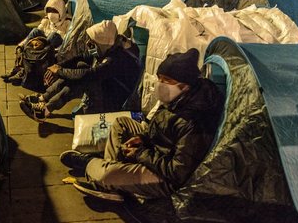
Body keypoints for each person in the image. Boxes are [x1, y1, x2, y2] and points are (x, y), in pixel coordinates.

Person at [60, 49, 224, 201]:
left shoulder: (195, 121)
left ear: (184, 86)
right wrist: (142, 138)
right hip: (156, 152)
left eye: (166, 80)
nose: (160, 84)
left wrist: (141, 153)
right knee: (121, 123)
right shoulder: (178, 98)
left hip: (166, 178)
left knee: (107, 174)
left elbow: (177, 172)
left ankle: (92, 166)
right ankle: (113, 183)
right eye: (159, 78)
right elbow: (158, 127)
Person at [19, 20, 141, 121]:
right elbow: (82, 57)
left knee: (82, 80)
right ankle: (42, 99)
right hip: (107, 87)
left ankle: (43, 111)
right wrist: (56, 67)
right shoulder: (109, 44)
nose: (89, 44)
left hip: (114, 102)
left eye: (93, 42)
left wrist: (59, 71)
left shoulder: (116, 59)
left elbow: (89, 75)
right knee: (79, 66)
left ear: (103, 43)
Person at [3, 0, 71, 85]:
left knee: (54, 35)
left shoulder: (67, 22)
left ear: (61, 11)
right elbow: (36, 33)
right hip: (39, 47)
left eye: (54, 11)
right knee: (35, 31)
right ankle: (17, 69)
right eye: (49, 10)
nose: (51, 14)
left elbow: (66, 41)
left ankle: (23, 73)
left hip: (52, 50)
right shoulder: (46, 21)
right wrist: (21, 45)